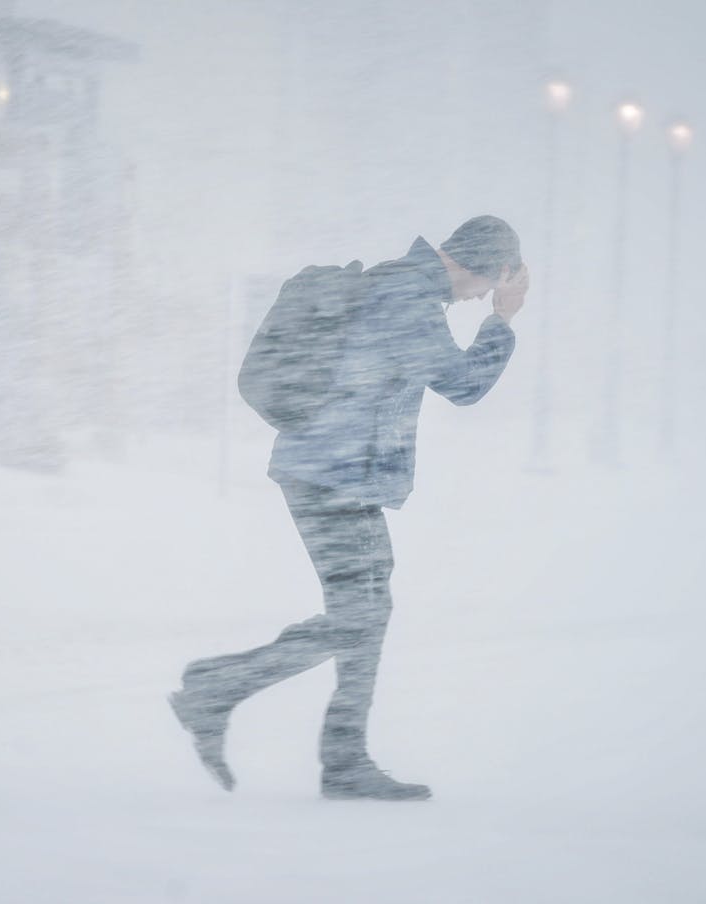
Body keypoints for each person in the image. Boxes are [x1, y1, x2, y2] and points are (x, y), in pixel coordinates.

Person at [171, 215, 527, 801]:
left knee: (364, 614)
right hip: (337, 479)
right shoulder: (408, 298)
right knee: (360, 617)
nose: (484, 295)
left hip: (330, 474)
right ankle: (225, 693)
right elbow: (465, 385)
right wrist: (502, 321)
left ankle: (335, 755)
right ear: (479, 264)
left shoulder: (401, 286)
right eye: (490, 283)